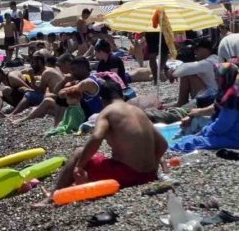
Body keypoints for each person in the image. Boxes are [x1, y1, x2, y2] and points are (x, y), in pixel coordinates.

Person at [38, 81, 166, 206]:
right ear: (121, 95)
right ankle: (78, 186)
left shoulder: (107, 111)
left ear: (101, 99)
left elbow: (96, 137)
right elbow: (163, 144)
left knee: (79, 152)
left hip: (127, 175)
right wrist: (153, 167)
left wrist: (79, 167)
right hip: (148, 175)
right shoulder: (139, 112)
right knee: (99, 160)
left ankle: (52, 197)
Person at [171, 38, 220, 107]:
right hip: (217, 95)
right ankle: (182, 102)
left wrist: (172, 73)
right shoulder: (216, 58)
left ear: (205, 49)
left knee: (189, 74)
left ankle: (181, 102)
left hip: (211, 97)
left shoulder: (207, 63)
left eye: (197, 50)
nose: (194, 52)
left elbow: (183, 71)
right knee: (190, 71)